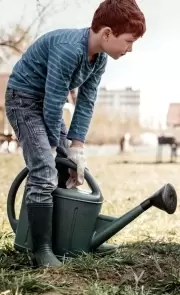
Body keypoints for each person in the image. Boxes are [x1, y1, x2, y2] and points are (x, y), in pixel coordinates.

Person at [4, 0, 146, 268]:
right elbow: (53, 103)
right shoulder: (69, 49)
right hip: (23, 101)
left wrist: (76, 147)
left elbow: (86, 101)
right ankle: (41, 249)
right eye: (128, 41)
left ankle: (62, 239)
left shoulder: (99, 58)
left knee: (61, 168)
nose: (130, 48)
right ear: (106, 33)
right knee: (45, 168)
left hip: (47, 103)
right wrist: (56, 150)